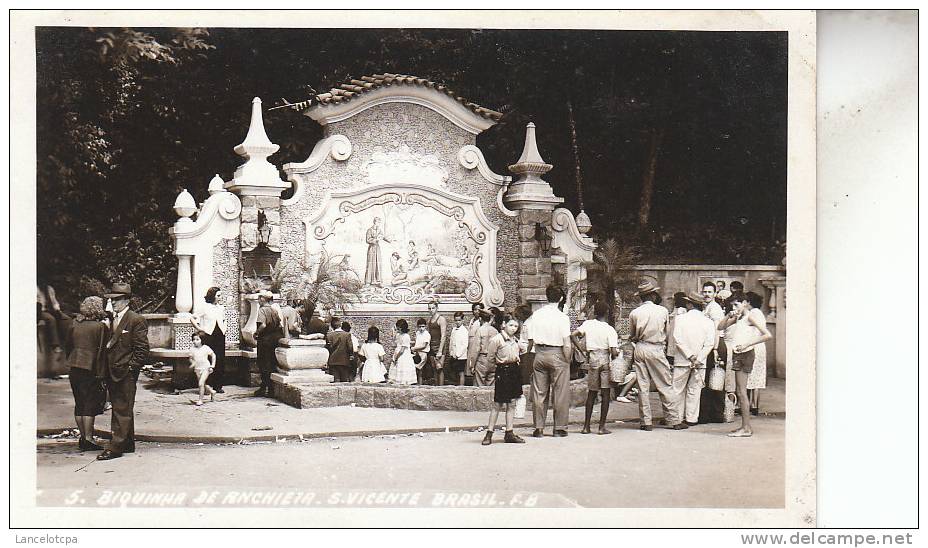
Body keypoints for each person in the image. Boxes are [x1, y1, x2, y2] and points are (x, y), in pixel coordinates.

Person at [97, 283, 149, 461]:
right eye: (112, 299)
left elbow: (142, 349)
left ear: (126, 300)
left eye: (117, 300)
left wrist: (130, 368)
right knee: (123, 408)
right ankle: (127, 442)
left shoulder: (135, 319)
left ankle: (115, 447)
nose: (113, 303)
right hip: (113, 371)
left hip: (125, 372)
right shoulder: (113, 318)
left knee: (121, 409)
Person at [718, 292, 772, 437]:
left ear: (745, 303)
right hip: (738, 354)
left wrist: (747, 344)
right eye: (732, 305)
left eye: (736, 304)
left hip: (745, 354)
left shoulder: (750, 316)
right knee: (740, 392)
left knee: (742, 392)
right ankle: (744, 426)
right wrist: (729, 315)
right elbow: (720, 327)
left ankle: (746, 428)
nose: (734, 307)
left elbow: (767, 335)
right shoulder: (738, 317)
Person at [627, 281, 677, 431]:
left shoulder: (634, 313)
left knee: (642, 386)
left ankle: (646, 422)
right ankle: (673, 419)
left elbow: (632, 334)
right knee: (665, 384)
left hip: (641, 347)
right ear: (652, 295)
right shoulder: (662, 311)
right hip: (656, 348)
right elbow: (667, 333)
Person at [64, 296, 109, 452]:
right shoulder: (100, 327)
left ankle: (83, 438)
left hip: (75, 366)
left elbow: (68, 345)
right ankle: (89, 439)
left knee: (79, 403)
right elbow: (103, 351)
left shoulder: (74, 324)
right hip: (91, 369)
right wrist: (102, 374)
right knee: (90, 404)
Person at [529, 285, 573, 438]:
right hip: (557, 353)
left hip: (540, 353)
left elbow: (530, 338)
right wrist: (567, 360)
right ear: (561, 298)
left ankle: (538, 427)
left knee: (539, 392)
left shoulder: (537, 314)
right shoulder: (562, 317)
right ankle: (559, 428)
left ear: (547, 297)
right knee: (560, 392)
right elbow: (567, 343)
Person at [571, 301, 620, 435]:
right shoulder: (609, 329)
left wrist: (582, 350)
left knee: (591, 394)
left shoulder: (588, 324)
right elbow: (614, 351)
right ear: (607, 313)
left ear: (595, 312)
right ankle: (601, 427)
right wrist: (617, 354)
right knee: (605, 394)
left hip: (592, 359)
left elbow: (573, 335)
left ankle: (586, 426)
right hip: (604, 360)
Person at [671, 292, 716, 428]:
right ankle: (691, 418)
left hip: (682, 360)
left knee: (678, 389)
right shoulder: (708, 322)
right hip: (700, 362)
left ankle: (677, 417)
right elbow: (709, 343)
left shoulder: (680, 319)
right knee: (694, 390)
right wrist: (699, 358)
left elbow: (677, 339)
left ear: (689, 304)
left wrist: (689, 355)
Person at [481, 315, 526, 445]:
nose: (513, 328)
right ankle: (489, 433)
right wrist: (494, 372)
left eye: (516, 326)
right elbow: (490, 358)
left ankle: (509, 432)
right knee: (497, 404)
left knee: (512, 403)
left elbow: (522, 352)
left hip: (514, 371)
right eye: (511, 325)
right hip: (503, 371)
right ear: (504, 324)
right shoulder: (497, 340)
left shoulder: (516, 340)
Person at [190, 286, 227, 394]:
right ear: (212, 296)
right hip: (208, 336)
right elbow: (192, 318)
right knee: (207, 360)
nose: (220, 297)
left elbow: (223, 320)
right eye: (218, 295)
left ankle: (218, 385)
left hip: (220, 335)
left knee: (220, 359)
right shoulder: (205, 307)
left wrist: (225, 328)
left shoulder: (221, 308)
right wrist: (199, 328)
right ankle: (207, 385)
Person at [743, 292, 769, 415]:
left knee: (750, 374)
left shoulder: (752, 313)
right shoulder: (760, 313)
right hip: (760, 345)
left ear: (749, 302)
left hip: (754, 344)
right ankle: (755, 405)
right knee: (757, 375)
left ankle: (750, 404)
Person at [253, 290, 283, 397]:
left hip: (265, 339)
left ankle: (264, 387)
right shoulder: (274, 310)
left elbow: (263, 325)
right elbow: (279, 325)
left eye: (259, 298)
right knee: (272, 363)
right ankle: (271, 389)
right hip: (274, 339)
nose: (258, 300)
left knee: (263, 363)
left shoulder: (262, 310)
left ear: (263, 299)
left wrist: (256, 333)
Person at [189, 331, 217, 406]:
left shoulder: (206, 348)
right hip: (197, 369)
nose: (195, 341)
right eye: (194, 339)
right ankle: (212, 391)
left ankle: (200, 400)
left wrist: (212, 366)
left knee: (200, 383)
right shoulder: (192, 349)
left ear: (202, 340)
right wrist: (193, 363)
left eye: (197, 339)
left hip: (206, 368)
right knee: (203, 384)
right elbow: (191, 358)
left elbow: (213, 355)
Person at [473, 310, 500, 387]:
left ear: (481, 319)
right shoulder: (495, 331)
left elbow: (476, 349)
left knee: (479, 385)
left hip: (482, 359)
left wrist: (472, 365)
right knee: (491, 386)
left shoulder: (480, 330)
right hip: (492, 360)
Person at [426, 299, 448, 386]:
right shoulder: (429, 320)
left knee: (440, 368)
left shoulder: (441, 319)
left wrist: (440, 350)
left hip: (439, 346)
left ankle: (441, 388)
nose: (431, 310)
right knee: (434, 368)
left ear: (437, 308)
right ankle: (436, 387)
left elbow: (443, 336)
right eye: (429, 308)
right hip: (432, 346)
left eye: (433, 308)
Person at [325, 317, 354, 383]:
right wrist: (351, 355)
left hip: (332, 360)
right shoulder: (347, 335)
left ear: (332, 326)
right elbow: (350, 346)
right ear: (340, 325)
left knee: (335, 380)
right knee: (344, 380)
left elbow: (328, 348)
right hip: (344, 360)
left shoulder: (329, 335)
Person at [364, 217, 390, 286]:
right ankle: (368, 281)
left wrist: (389, 240)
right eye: (378, 222)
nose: (379, 224)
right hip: (372, 248)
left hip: (377, 248)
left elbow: (383, 237)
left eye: (379, 222)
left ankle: (378, 281)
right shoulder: (369, 230)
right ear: (375, 222)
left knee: (378, 263)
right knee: (370, 264)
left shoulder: (379, 230)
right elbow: (368, 240)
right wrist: (375, 239)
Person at [391, 319, 417, 385]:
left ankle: (404, 382)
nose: (398, 330)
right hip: (397, 352)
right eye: (397, 329)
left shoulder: (406, 336)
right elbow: (394, 343)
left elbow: (402, 351)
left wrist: (396, 358)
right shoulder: (398, 335)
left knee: (403, 369)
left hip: (403, 355)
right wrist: (393, 333)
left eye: (399, 329)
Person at [447, 311, 469, 386]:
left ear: (462, 320)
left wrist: (458, 354)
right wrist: (451, 352)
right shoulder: (454, 330)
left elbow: (465, 345)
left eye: (459, 320)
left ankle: (461, 387)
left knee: (461, 372)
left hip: (461, 356)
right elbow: (451, 342)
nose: (457, 322)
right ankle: (456, 385)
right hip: (454, 355)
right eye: (456, 320)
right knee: (455, 372)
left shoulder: (464, 331)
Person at [465, 302, 485, 383]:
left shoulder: (481, 321)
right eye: (475, 309)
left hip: (477, 343)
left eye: (478, 309)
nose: (477, 311)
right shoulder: (472, 320)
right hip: (470, 344)